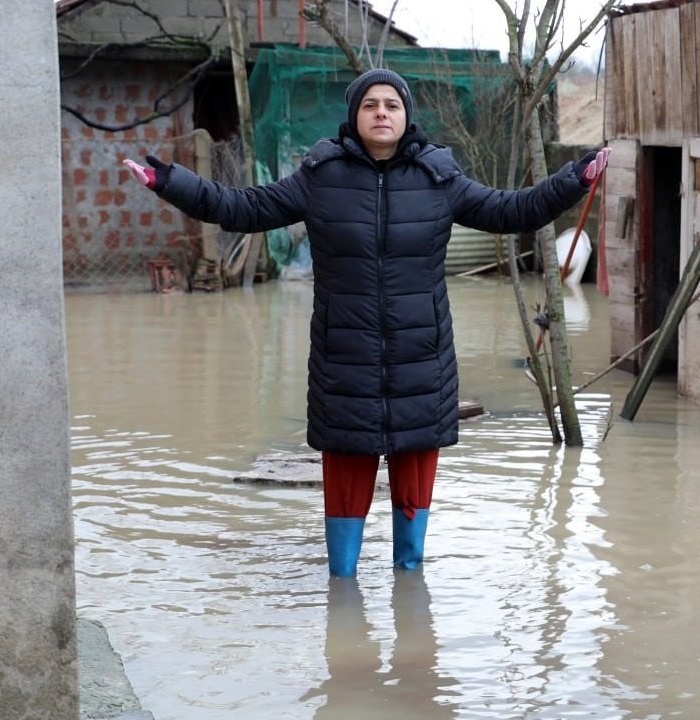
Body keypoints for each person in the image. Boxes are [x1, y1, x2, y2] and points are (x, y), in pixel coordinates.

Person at [124, 68, 611, 577]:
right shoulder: (321, 176)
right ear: (354, 117)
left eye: (392, 105)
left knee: (411, 544)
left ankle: (411, 610)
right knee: (344, 546)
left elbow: (516, 210)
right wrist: (169, 182)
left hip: (421, 365)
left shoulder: (439, 178)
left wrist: (574, 179)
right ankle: (343, 606)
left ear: (406, 117)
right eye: (370, 105)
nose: (382, 112)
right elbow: (241, 207)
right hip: (345, 367)